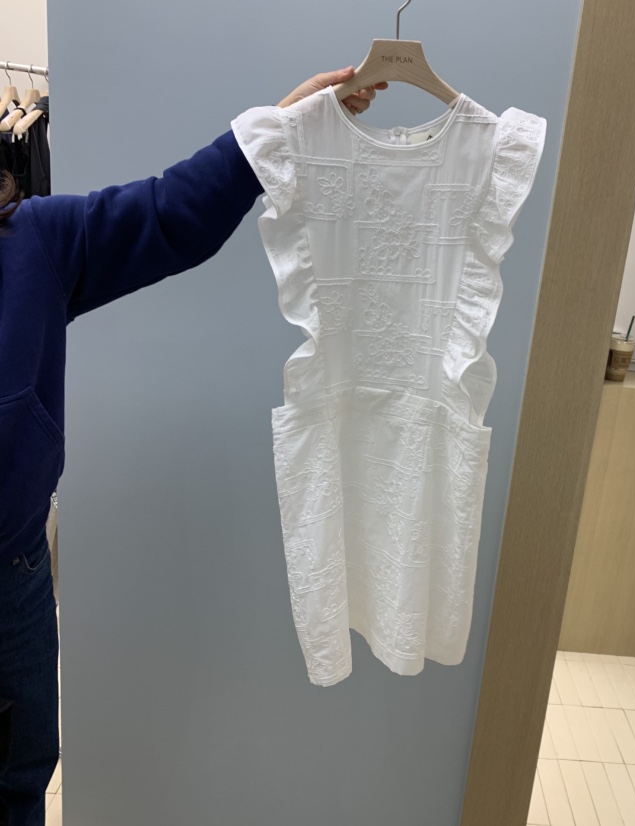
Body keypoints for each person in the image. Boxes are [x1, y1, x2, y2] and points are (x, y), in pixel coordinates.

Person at [0, 66, 385, 826]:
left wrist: (272, 132)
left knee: (17, 781)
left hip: (10, 579)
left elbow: (170, 212)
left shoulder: (33, 240)